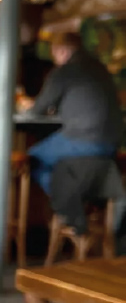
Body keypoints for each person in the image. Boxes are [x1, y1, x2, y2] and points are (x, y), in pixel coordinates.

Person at [26, 32, 123, 193]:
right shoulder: (100, 68)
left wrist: (30, 107)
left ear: (62, 51)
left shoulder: (65, 71)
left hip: (84, 141)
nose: (55, 62)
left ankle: (70, 199)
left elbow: (37, 110)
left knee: (33, 159)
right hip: (113, 143)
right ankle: (87, 198)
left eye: (54, 56)